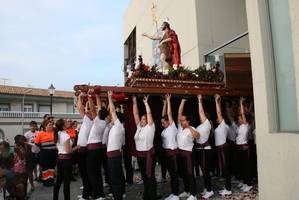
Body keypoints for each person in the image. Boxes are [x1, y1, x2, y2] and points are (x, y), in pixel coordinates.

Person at [133, 95, 157, 200]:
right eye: (142, 119)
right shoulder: (139, 127)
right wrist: (134, 102)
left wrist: (146, 103)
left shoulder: (150, 127)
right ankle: (147, 195)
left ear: (148, 120)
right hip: (140, 156)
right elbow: (135, 113)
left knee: (150, 176)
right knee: (144, 176)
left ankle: (152, 196)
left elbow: (149, 113)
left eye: (144, 119)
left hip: (148, 156)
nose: (142, 120)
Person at [86, 90, 108, 200]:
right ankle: (99, 194)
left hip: (93, 150)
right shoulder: (104, 121)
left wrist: (90, 97)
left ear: (99, 115)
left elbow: (94, 109)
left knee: (92, 174)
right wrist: (97, 96)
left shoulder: (99, 121)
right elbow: (98, 108)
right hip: (97, 149)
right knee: (97, 173)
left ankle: (98, 195)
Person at [176, 98, 199, 200]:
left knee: (190, 174)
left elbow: (197, 136)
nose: (181, 122)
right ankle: (187, 191)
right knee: (184, 174)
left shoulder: (192, 128)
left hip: (189, 154)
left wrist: (188, 127)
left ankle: (193, 195)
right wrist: (182, 102)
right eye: (181, 120)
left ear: (188, 121)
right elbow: (179, 112)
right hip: (180, 153)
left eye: (183, 120)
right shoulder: (180, 128)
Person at [53, 119, 80, 200]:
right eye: (66, 122)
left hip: (60, 159)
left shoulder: (58, 133)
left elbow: (59, 148)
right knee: (66, 182)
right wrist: (77, 147)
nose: (69, 122)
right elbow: (68, 151)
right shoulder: (65, 135)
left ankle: (55, 198)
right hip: (66, 160)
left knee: (58, 181)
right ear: (63, 126)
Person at [106, 91, 126, 200]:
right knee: (117, 176)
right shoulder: (117, 127)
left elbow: (113, 111)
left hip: (114, 156)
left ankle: (118, 196)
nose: (111, 118)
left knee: (115, 178)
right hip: (114, 155)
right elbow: (111, 112)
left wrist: (109, 97)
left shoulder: (118, 126)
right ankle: (120, 194)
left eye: (113, 118)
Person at [194, 95, 214, 199]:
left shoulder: (207, 124)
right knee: (203, 171)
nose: (202, 116)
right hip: (199, 150)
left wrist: (199, 101)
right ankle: (206, 188)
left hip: (205, 150)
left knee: (206, 171)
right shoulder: (200, 125)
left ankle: (210, 190)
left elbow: (200, 112)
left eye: (204, 116)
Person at [161, 94, 179, 200]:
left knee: (174, 175)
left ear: (169, 122)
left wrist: (168, 100)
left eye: (163, 122)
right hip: (167, 154)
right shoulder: (165, 129)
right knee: (171, 175)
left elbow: (168, 113)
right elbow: (163, 115)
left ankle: (176, 195)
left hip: (173, 155)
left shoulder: (172, 127)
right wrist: (164, 103)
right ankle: (173, 193)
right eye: (162, 123)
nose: (162, 124)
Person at [76, 91, 94, 200]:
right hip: (86, 150)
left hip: (84, 151)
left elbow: (80, 108)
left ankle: (86, 195)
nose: (86, 113)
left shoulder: (88, 121)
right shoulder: (91, 121)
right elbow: (83, 109)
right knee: (87, 173)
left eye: (89, 112)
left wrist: (79, 97)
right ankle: (89, 193)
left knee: (85, 174)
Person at [214, 94, 232, 196]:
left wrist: (216, 101)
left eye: (219, 118)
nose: (217, 118)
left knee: (226, 169)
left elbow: (219, 112)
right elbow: (219, 112)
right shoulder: (221, 126)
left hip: (223, 148)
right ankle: (227, 187)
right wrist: (219, 102)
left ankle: (228, 189)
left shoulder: (223, 126)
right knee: (224, 169)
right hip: (220, 148)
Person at [236, 97, 253, 192]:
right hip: (239, 147)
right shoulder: (240, 127)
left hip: (244, 148)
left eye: (240, 118)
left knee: (246, 167)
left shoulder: (246, 125)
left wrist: (241, 103)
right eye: (238, 119)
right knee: (242, 166)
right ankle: (245, 182)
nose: (239, 119)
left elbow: (242, 113)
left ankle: (249, 184)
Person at [35, 120, 58, 187]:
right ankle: (46, 182)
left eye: (51, 125)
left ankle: (51, 181)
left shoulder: (54, 133)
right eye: (49, 125)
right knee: (45, 168)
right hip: (44, 153)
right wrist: (43, 147)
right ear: (45, 126)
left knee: (52, 167)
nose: (51, 126)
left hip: (53, 153)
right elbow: (36, 143)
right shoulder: (40, 133)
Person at [24, 121, 40, 190]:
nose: (33, 127)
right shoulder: (26, 134)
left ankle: (37, 176)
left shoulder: (38, 133)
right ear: (30, 126)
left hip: (38, 151)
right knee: (32, 167)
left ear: (36, 126)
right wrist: (30, 143)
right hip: (31, 153)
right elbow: (25, 143)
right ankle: (33, 182)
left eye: (34, 126)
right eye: (32, 126)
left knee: (38, 165)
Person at [13, 135, 28, 199]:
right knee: (20, 182)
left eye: (24, 140)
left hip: (23, 166)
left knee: (24, 182)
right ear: (17, 141)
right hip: (18, 168)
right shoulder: (16, 147)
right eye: (21, 140)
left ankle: (24, 195)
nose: (23, 141)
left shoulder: (23, 146)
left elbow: (24, 156)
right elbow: (21, 157)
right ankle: (20, 196)